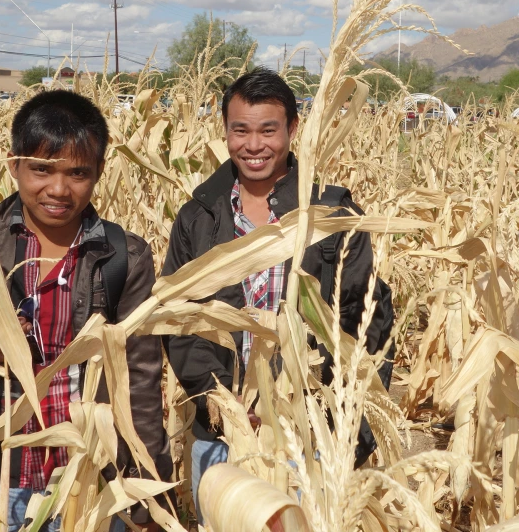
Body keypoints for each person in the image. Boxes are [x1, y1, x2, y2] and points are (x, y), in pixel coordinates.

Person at [0, 90, 172, 531]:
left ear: (99, 173)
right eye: (41, 170)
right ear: (14, 166)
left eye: (78, 173)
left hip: (88, 477)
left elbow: (139, 381)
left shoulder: (124, 256)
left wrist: (147, 494)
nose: (59, 190)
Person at [162, 68, 395, 519]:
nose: (254, 145)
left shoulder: (330, 217)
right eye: (240, 130)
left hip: (307, 439)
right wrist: (220, 401)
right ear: (225, 131)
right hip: (224, 435)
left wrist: (341, 428)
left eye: (268, 130)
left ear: (292, 129)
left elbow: (361, 324)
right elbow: (180, 321)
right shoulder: (199, 217)